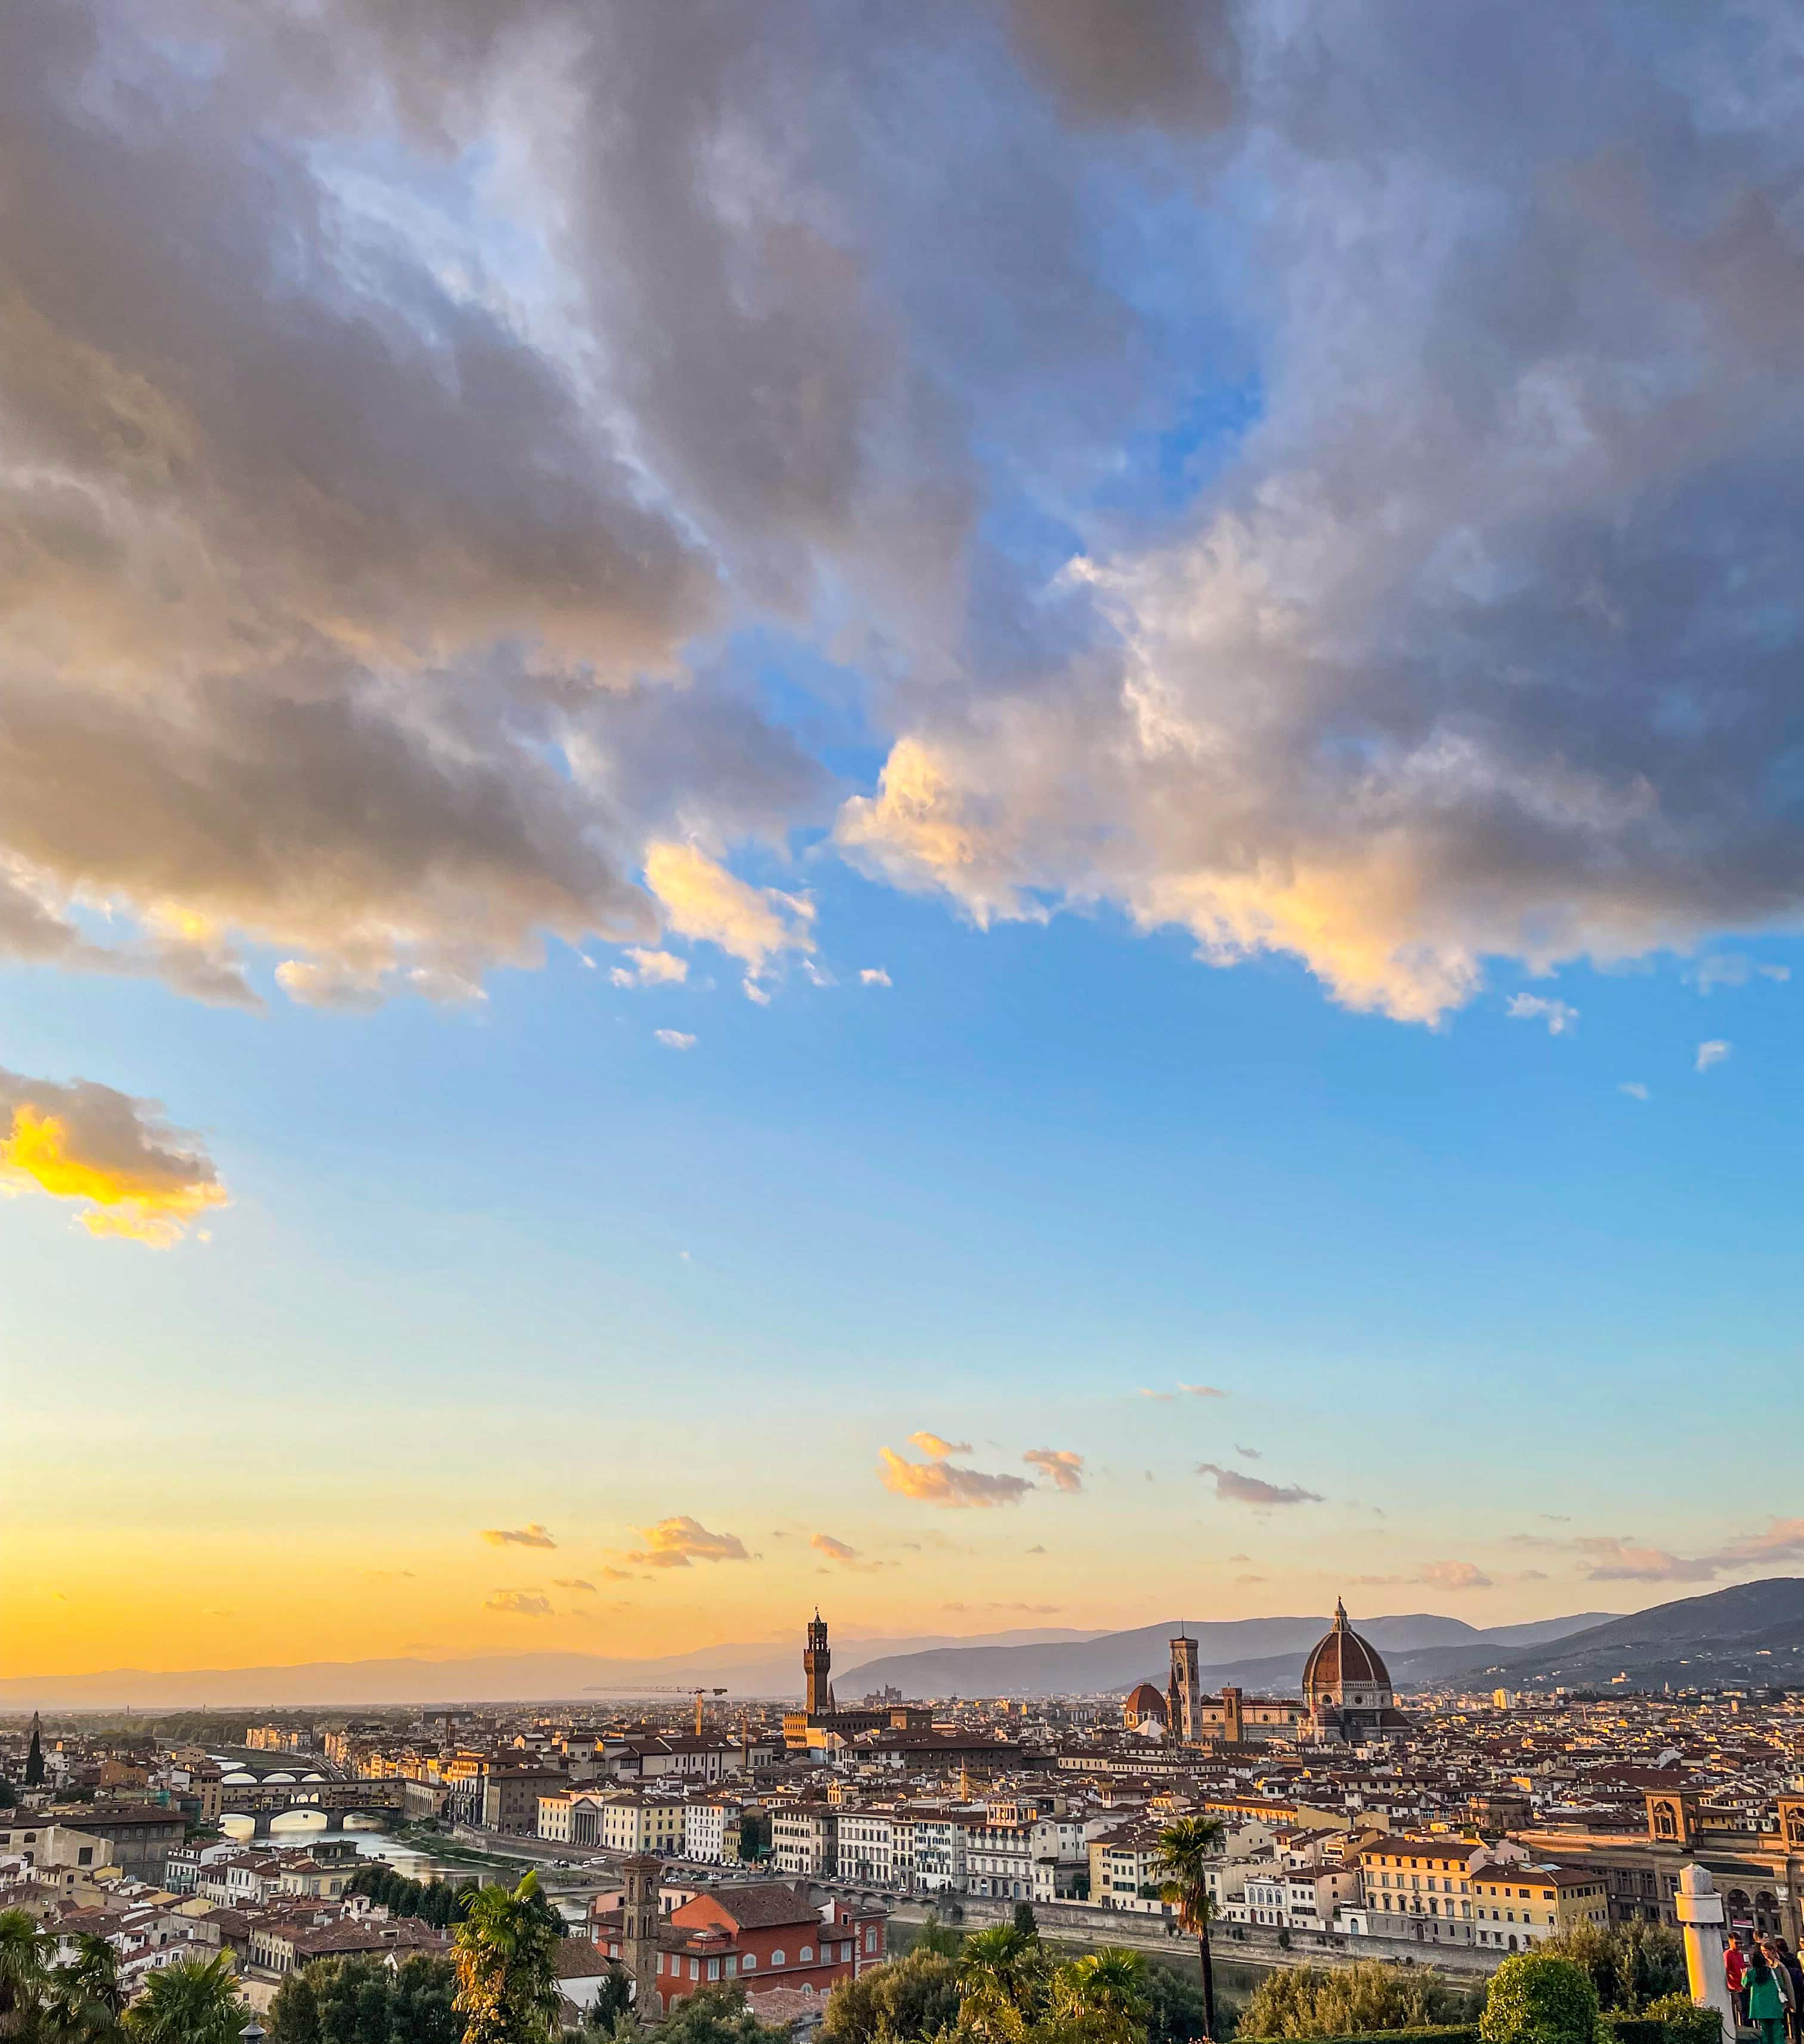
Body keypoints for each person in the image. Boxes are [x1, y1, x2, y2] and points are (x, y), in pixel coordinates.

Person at [1747, 1946, 1786, 2044]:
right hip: (1774, 2005)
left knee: (1765, 2032)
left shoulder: (1751, 1973)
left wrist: (1743, 1976)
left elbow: (1745, 1984)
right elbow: (1781, 1985)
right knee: (1777, 2031)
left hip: (1760, 2007)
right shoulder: (1773, 1971)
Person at [1771, 1936, 1804, 2044]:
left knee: (1785, 2017)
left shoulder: (1780, 1960)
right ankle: (1798, 2038)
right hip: (1799, 1990)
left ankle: (1789, 2039)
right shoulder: (1795, 1957)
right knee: (1798, 2016)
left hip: (1786, 1992)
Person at [1729, 1935, 1750, 2029]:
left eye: (1740, 1943)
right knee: (1743, 2011)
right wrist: (1733, 1986)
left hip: (1744, 1986)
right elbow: (1727, 1971)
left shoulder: (1740, 1955)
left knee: (1748, 2011)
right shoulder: (1728, 1955)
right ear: (1731, 1942)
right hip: (1736, 1988)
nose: (1739, 1945)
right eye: (1737, 1943)